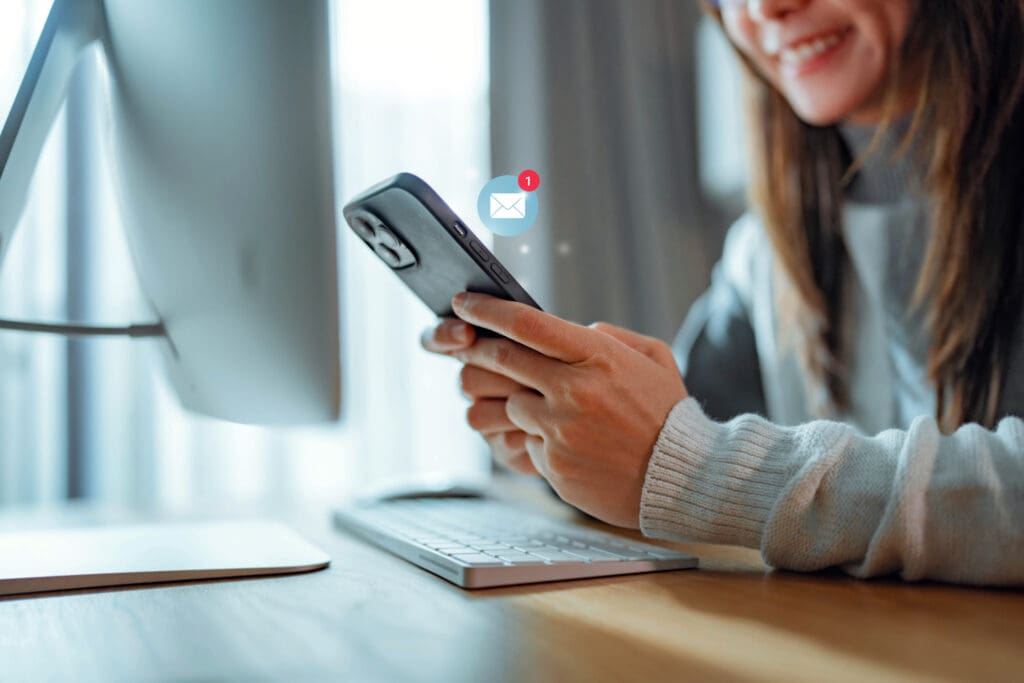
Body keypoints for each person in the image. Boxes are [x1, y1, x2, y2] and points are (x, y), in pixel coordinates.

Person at [422, 0, 1024, 586]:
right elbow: (677, 434)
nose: (766, 8)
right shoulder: (764, 252)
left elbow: (699, 458)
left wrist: (696, 472)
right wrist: (565, 445)